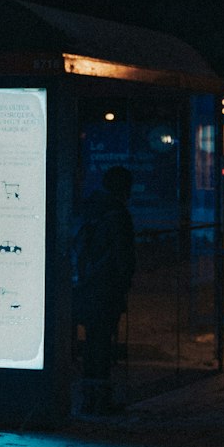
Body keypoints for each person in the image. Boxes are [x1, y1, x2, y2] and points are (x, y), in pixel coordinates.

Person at [72, 165, 135, 413]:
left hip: (86, 286)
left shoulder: (90, 209)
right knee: (102, 344)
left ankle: (90, 397)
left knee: (92, 344)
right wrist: (123, 282)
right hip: (106, 287)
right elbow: (123, 257)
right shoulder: (117, 214)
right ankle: (99, 400)